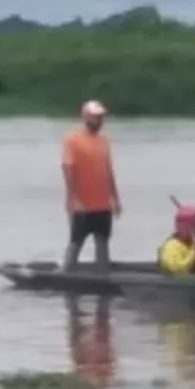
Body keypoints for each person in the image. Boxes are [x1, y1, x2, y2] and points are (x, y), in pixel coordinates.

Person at [61, 99, 122, 271]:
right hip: (82, 205)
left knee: (102, 241)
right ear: (86, 117)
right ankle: (67, 273)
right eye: (95, 117)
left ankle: (102, 276)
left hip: (103, 204)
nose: (99, 121)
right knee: (76, 242)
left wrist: (115, 199)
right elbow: (68, 169)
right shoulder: (73, 140)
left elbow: (108, 170)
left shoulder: (103, 141)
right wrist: (73, 199)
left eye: (101, 117)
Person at [158, 205, 195, 275]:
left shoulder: (193, 246)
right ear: (182, 226)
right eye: (194, 225)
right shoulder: (171, 246)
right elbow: (179, 270)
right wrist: (194, 249)